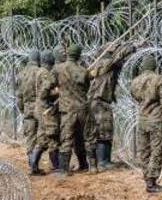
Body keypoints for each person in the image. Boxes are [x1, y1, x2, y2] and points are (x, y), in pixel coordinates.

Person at [86, 42, 138, 172]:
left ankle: (103, 160)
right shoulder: (106, 62)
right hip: (100, 101)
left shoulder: (104, 64)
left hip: (99, 101)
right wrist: (131, 46)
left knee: (104, 130)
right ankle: (103, 161)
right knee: (104, 130)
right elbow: (119, 56)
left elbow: (121, 61)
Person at [129, 55, 162, 193]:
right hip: (156, 120)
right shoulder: (159, 79)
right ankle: (151, 182)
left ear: (143, 67)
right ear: (154, 66)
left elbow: (135, 96)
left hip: (142, 119)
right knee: (156, 151)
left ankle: (147, 178)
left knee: (144, 152)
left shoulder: (135, 81)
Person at [55, 44, 91, 175]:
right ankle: (86, 165)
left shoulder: (58, 69)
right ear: (79, 55)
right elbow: (86, 88)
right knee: (83, 137)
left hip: (67, 109)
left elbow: (51, 84)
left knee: (67, 137)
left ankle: (64, 169)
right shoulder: (83, 71)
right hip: (82, 108)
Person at [16, 49, 43, 174]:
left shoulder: (22, 74)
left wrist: (22, 109)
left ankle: (32, 164)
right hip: (40, 107)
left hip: (27, 107)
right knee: (43, 135)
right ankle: (35, 162)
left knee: (30, 136)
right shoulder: (40, 72)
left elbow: (19, 96)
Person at [35, 50, 61, 173]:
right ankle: (56, 167)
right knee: (52, 136)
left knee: (42, 137)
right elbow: (44, 92)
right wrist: (57, 92)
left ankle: (33, 165)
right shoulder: (46, 73)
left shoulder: (39, 71)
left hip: (40, 109)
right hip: (46, 109)